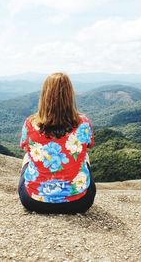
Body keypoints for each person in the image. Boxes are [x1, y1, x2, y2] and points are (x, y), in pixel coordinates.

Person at [18, 72, 96, 214]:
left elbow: (25, 148)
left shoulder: (30, 123)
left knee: (28, 157)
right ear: (70, 95)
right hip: (79, 202)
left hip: (35, 202)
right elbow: (89, 146)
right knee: (84, 156)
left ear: (44, 96)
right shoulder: (83, 123)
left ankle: (40, 186)